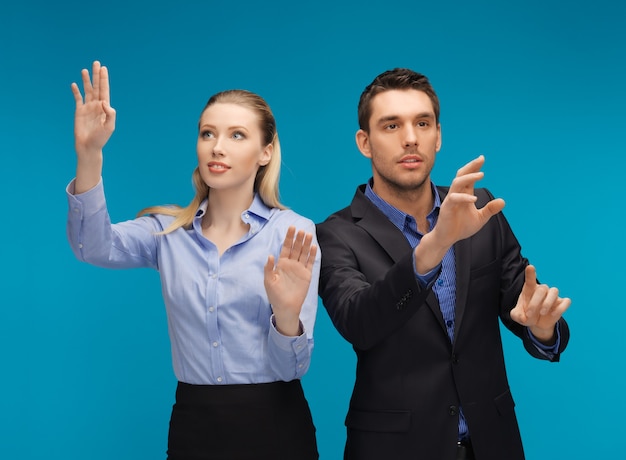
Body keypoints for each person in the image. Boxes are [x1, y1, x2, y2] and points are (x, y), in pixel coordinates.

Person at [66, 61, 320, 460]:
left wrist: (287, 317)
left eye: (237, 135)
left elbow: (291, 369)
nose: (217, 147)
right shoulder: (167, 232)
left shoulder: (292, 233)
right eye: (208, 134)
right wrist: (89, 153)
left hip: (276, 424)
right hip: (193, 424)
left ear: (265, 152)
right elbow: (91, 246)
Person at [316, 68, 571, 460]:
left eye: (422, 122)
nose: (410, 138)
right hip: (394, 449)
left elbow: (526, 304)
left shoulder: (480, 208)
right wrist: (438, 242)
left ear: (438, 135)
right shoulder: (336, 233)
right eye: (391, 125)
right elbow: (360, 324)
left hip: (492, 444)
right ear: (364, 143)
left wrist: (542, 326)